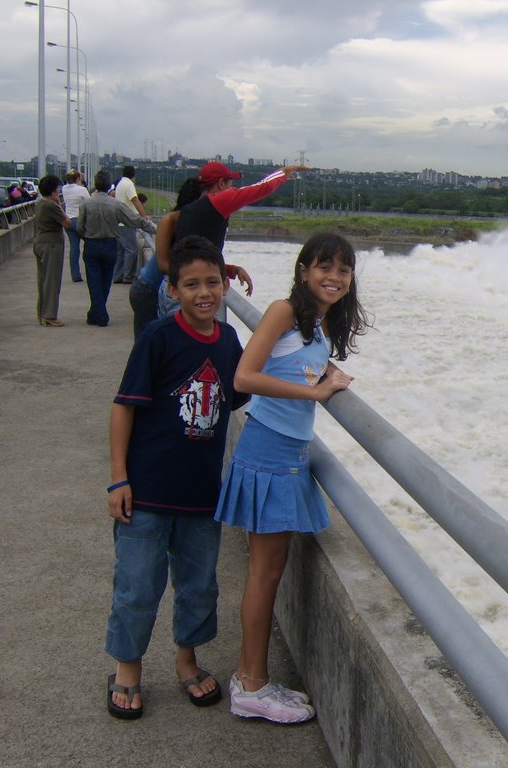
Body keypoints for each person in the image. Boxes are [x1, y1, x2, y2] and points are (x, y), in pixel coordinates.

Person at [215, 232, 369, 723]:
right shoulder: (284, 310)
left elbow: (294, 366)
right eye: (324, 266)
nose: (334, 277)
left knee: (271, 571)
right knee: (265, 574)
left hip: (287, 455)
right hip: (268, 454)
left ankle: (252, 679)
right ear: (304, 270)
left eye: (343, 270)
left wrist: (327, 377)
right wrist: (317, 394)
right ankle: (251, 686)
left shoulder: (317, 325)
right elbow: (244, 378)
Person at [104, 235, 251, 720]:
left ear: (226, 285)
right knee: (137, 585)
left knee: (198, 586)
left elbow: (247, 388)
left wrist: (312, 379)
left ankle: (187, 660)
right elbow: (124, 409)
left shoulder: (229, 342)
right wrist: (118, 479)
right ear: (172, 290)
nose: (204, 293)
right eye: (191, 285)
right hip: (146, 492)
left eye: (213, 282)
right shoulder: (157, 338)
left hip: (201, 494)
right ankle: (128, 669)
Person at [155, 162, 307, 320]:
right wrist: (284, 173)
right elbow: (260, 188)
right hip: (187, 292)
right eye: (230, 183)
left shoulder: (189, 211)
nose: (232, 188)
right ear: (221, 184)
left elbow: (193, 259)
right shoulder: (218, 202)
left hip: (174, 289)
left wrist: (231, 270)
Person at [131, 179, 253, 339]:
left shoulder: (196, 224)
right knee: (150, 344)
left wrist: (230, 270)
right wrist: (210, 277)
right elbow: (164, 265)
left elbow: (197, 263)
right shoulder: (171, 221)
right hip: (148, 290)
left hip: (167, 288)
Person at [77, 169, 156, 328]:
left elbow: (79, 228)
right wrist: (155, 228)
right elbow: (135, 220)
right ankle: (100, 314)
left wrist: (87, 238)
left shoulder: (86, 204)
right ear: (108, 186)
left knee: (94, 282)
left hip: (91, 245)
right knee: (106, 281)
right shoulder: (116, 205)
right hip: (110, 244)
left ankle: (96, 313)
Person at [33, 174, 72, 327]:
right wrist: (60, 204)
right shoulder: (51, 205)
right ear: (53, 190)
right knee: (52, 280)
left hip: (40, 242)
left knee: (42, 279)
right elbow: (67, 223)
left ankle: (42, 312)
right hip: (51, 245)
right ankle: (49, 315)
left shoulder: (40, 203)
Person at [113, 165, 150, 284]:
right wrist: (144, 217)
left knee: (121, 251)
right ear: (133, 175)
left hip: (119, 222)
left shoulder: (120, 183)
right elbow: (135, 200)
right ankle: (128, 276)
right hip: (127, 222)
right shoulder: (128, 184)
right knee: (131, 250)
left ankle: (117, 275)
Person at [61, 169, 91, 282]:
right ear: (78, 179)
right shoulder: (82, 190)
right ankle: (90, 271)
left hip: (68, 220)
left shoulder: (64, 189)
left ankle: (75, 275)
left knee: (74, 248)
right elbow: (89, 203)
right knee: (90, 244)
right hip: (79, 221)